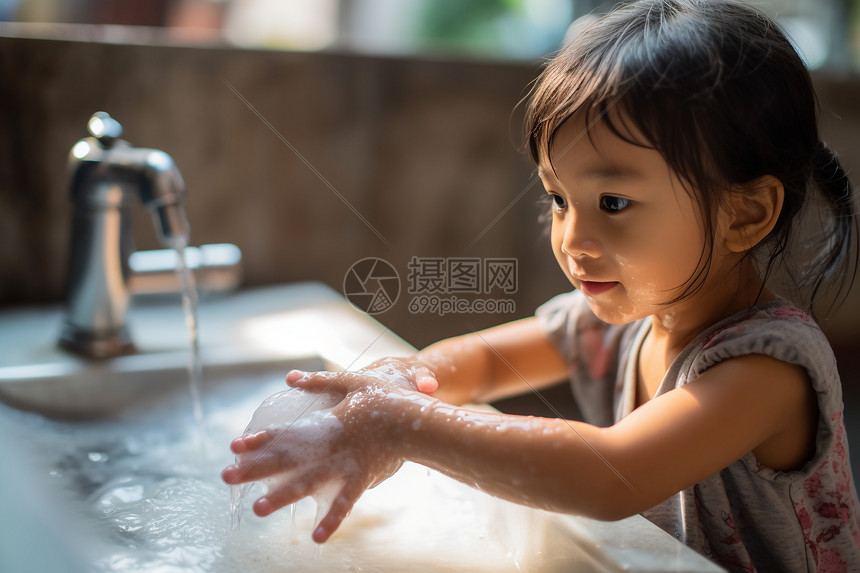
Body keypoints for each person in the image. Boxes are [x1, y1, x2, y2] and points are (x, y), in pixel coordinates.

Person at [222, 0, 860, 569]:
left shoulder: (767, 369)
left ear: (744, 214)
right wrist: (393, 385)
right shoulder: (623, 319)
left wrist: (404, 427)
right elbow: (476, 361)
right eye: (559, 197)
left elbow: (609, 476)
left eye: (613, 202)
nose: (572, 239)